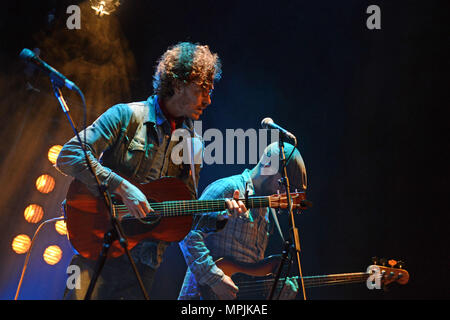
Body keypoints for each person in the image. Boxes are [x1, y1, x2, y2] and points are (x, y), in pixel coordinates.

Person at [56, 42, 247, 300]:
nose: (209, 100)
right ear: (178, 84)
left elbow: (184, 216)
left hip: (143, 268)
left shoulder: (193, 146)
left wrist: (222, 215)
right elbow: (68, 155)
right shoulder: (126, 116)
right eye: (203, 89)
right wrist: (122, 187)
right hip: (97, 250)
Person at [178, 142, 308, 300]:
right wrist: (214, 278)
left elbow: (251, 272)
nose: (283, 193)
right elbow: (187, 232)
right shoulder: (227, 188)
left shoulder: (268, 210)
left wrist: (275, 293)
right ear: (268, 165)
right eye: (283, 184)